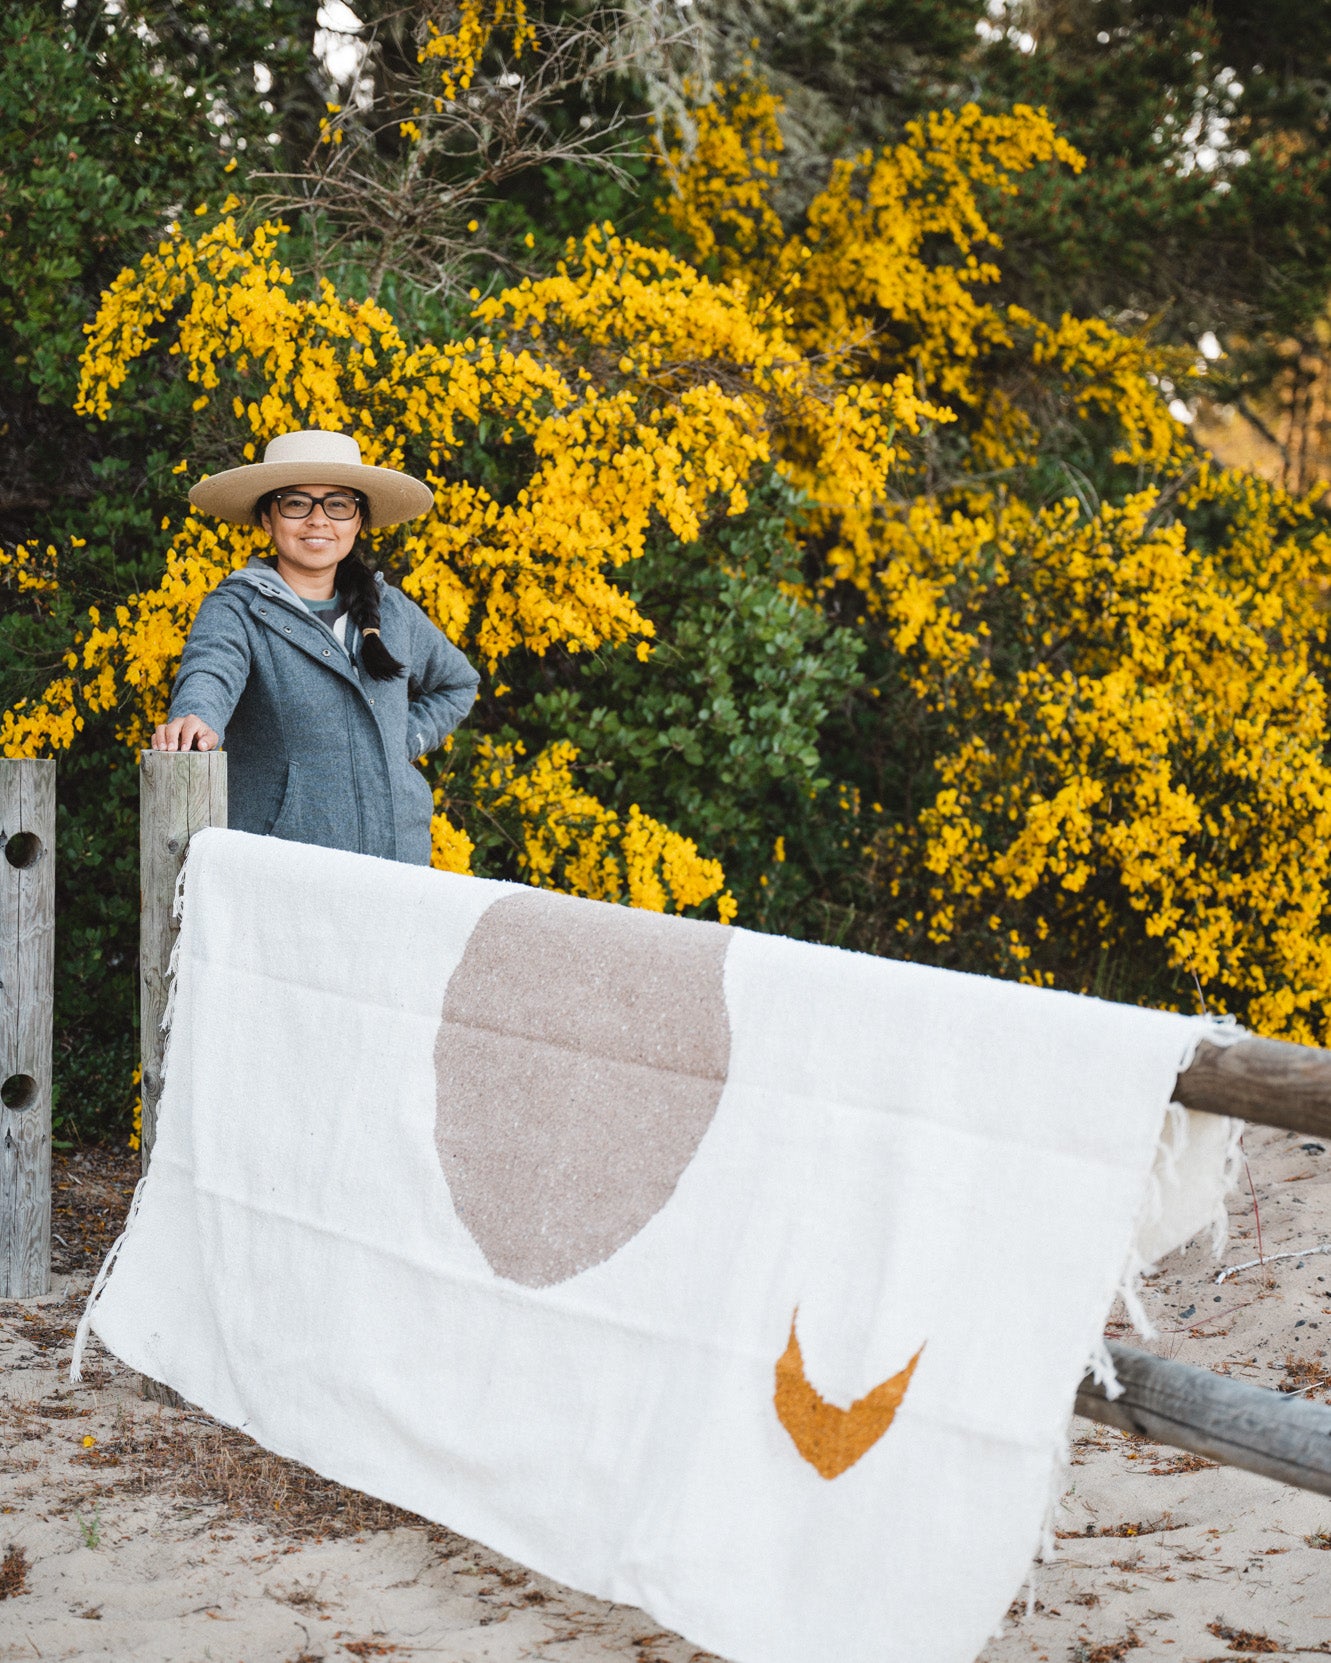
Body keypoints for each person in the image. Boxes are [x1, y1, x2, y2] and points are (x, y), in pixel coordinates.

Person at [152, 429, 479, 866]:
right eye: (296, 503)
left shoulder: (393, 611)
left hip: (401, 860)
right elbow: (212, 669)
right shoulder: (238, 607)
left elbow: (457, 683)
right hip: (288, 867)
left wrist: (396, 740)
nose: (318, 520)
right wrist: (197, 716)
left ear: (358, 520)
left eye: (338, 505)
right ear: (268, 519)